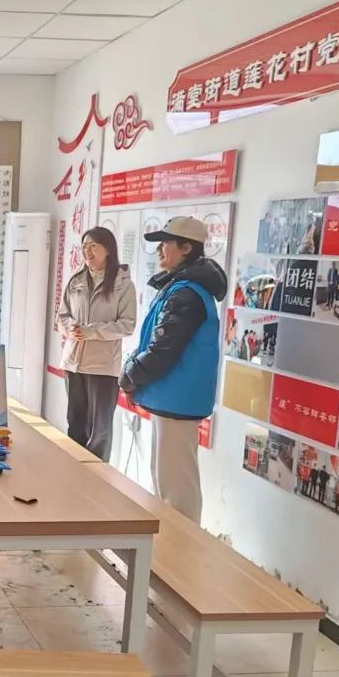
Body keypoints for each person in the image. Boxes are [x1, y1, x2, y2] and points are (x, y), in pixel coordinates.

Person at [120, 217, 226, 524]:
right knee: (166, 483)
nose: (160, 250)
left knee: (177, 491)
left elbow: (162, 350)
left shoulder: (187, 294)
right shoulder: (182, 288)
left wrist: (129, 376)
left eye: (166, 243)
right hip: (172, 398)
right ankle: (170, 545)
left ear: (187, 248)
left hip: (178, 400)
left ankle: (184, 548)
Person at [56, 227, 137, 463]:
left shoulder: (123, 284)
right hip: (74, 363)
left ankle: (96, 476)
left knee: (99, 430)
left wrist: (91, 331)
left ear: (108, 250)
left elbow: (127, 325)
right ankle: (74, 472)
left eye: (93, 246)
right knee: (75, 423)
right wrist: (70, 327)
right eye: (84, 247)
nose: (87, 252)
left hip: (103, 366)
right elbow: (61, 316)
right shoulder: (76, 280)